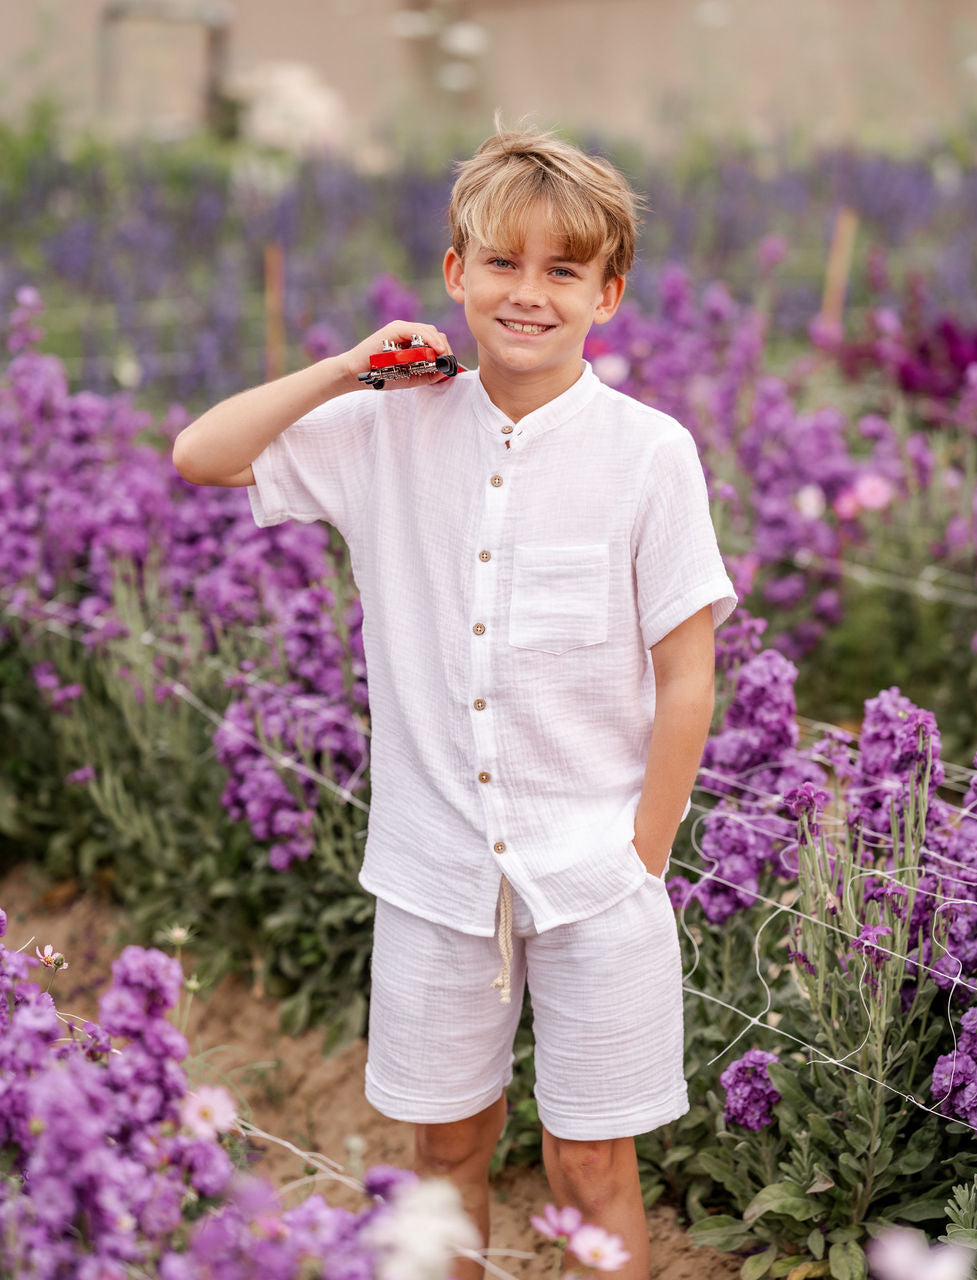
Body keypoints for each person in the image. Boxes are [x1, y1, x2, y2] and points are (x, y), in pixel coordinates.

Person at [172, 125, 736, 1280]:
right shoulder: (389, 424)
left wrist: (643, 850)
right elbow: (199, 454)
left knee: (592, 1166)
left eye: (562, 271)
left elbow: (688, 671)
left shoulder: (648, 453)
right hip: (432, 870)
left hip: (595, 878)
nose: (528, 294)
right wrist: (347, 367)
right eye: (502, 264)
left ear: (608, 295)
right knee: (444, 1147)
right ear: (454, 276)